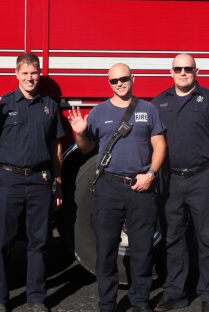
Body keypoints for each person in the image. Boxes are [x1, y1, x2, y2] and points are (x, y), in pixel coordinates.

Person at [68, 63, 166, 312]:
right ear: (108, 83)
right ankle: (107, 303)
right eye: (114, 80)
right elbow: (86, 148)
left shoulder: (148, 110)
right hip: (108, 187)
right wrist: (79, 133)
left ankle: (141, 301)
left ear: (134, 78)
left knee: (143, 251)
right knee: (106, 250)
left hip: (140, 188)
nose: (120, 83)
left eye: (124, 78)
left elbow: (160, 145)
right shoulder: (99, 112)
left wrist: (151, 174)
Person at [0, 52, 64, 312]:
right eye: (25, 73)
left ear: (39, 74)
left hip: (40, 180)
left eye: (34, 73)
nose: (30, 78)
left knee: (39, 243)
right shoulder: (3, 105)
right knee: (2, 242)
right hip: (8, 180)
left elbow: (56, 147)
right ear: (16, 74)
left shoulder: (49, 105)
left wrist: (58, 181)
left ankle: (36, 298)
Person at [152, 54, 209, 312]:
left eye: (187, 68)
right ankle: (175, 292)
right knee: (173, 238)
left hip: (204, 178)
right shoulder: (159, 103)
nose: (182, 72)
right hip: (172, 181)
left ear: (196, 70)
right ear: (171, 72)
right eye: (178, 68)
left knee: (208, 240)